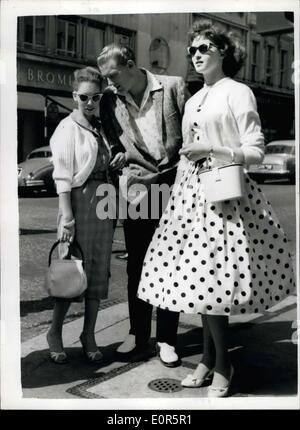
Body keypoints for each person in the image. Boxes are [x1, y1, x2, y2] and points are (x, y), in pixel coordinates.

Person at [137, 20, 295, 396]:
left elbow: (255, 151)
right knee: (202, 283)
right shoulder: (193, 99)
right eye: (192, 50)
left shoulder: (237, 92)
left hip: (226, 197)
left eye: (204, 48)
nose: (196, 55)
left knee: (216, 283)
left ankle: (223, 361)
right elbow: (189, 151)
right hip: (191, 198)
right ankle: (210, 358)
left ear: (223, 51)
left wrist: (213, 150)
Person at [97, 44, 190, 367]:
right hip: (137, 187)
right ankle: (138, 333)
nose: (110, 84)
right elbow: (111, 136)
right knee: (137, 262)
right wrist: (115, 153)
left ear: (131, 65)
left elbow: (192, 132)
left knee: (170, 263)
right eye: (105, 79)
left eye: (112, 75)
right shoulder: (110, 100)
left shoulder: (174, 87)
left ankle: (166, 339)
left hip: (174, 182)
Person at [47, 67, 126, 364]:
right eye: (84, 97)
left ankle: (88, 334)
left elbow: (101, 161)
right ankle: (54, 333)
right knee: (71, 272)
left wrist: (116, 159)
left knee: (96, 272)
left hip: (103, 203)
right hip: (79, 205)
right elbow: (63, 179)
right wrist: (67, 218)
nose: (90, 103)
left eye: (95, 97)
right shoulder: (67, 129)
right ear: (74, 96)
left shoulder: (100, 127)